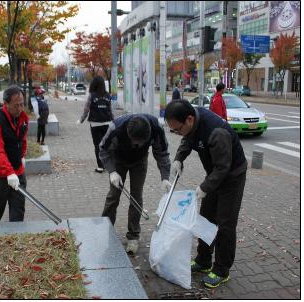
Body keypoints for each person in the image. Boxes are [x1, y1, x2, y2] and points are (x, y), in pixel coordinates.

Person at [164, 99, 247, 288]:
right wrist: (178, 159)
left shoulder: (217, 133)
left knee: (225, 223)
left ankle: (221, 269)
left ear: (190, 119)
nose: (177, 133)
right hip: (215, 174)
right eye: (173, 130)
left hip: (232, 176)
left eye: (177, 129)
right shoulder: (190, 125)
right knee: (206, 218)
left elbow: (223, 168)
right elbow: (187, 139)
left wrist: (204, 188)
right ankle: (203, 260)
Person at [99, 114, 172, 254]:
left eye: (141, 142)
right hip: (118, 161)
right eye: (135, 142)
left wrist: (165, 177)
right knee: (113, 197)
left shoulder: (156, 127)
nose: (137, 145)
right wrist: (112, 171)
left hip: (139, 162)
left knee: (136, 196)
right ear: (128, 133)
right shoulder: (116, 128)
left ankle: (133, 236)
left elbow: (162, 152)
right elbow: (103, 149)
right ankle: (105, 229)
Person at [0, 85, 29, 223]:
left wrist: (22, 156)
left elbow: (22, 139)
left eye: (22, 104)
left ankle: (16, 237)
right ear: (6, 104)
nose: (20, 109)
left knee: (18, 210)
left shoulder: (23, 118)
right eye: (16, 105)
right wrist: (9, 172)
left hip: (18, 172)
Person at [77, 76, 114, 173]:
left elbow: (86, 110)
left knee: (97, 145)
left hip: (95, 124)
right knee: (106, 144)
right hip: (107, 123)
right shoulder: (108, 95)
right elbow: (110, 110)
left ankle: (100, 167)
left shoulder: (91, 95)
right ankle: (108, 165)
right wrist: (114, 121)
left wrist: (81, 120)